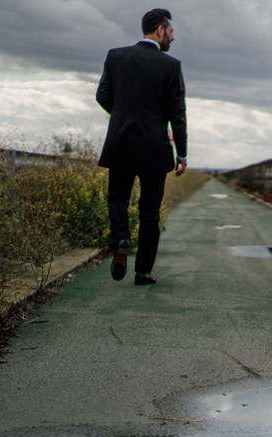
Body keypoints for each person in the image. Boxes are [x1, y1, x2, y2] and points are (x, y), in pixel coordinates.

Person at [96, 8, 188, 286]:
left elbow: (103, 96)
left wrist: (123, 115)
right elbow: (178, 114)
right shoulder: (171, 66)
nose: (172, 38)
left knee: (117, 198)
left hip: (121, 142)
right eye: (171, 33)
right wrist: (181, 152)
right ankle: (143, 272)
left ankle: (121, 238)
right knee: (149, 210)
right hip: (154, 146)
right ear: (160, 31)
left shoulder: (116, 56)